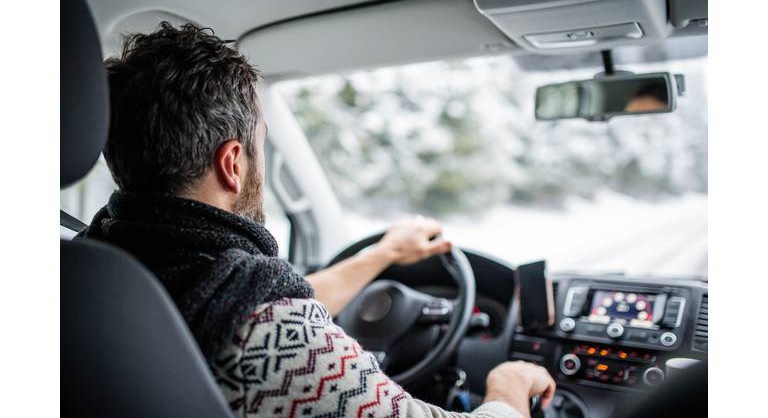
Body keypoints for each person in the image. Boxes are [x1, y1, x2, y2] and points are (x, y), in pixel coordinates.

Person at [77, 22, 555, 418]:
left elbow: (250, 298)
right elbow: (275, 321)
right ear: (233, 163)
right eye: (261, 145)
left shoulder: (93, 269)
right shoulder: (272, 339)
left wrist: (384, 255)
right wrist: (509, 383)